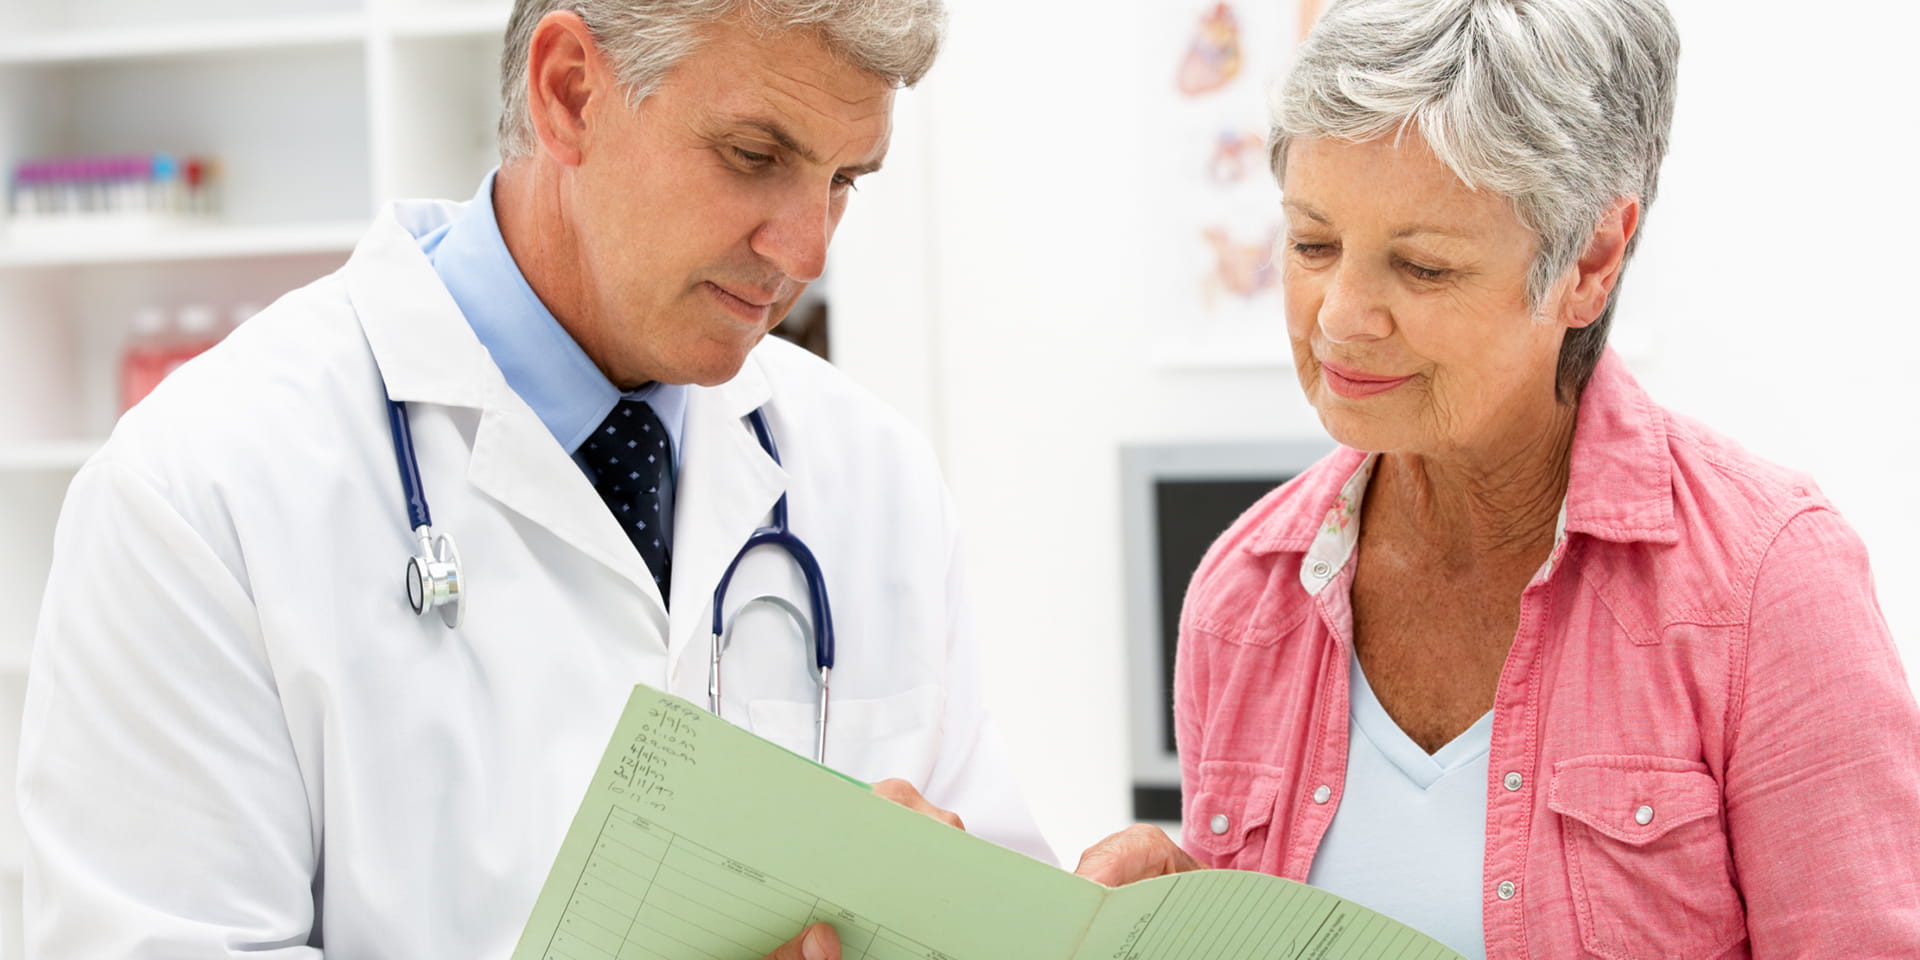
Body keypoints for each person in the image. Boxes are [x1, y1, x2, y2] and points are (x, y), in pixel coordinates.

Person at [18, 1, 1051, 957]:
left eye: (844, 181)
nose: (807, 248)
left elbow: (992, 897)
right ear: (569, 92)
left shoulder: (872, 475)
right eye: (753, 156)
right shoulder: (202, 491)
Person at [1075, 0, 1920, 956]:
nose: (1341, 317)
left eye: (1423, 267)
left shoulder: (1769, 583)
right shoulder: (1245, 594)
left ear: (1590, 261)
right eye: (1313, 243)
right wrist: (1186, 917)